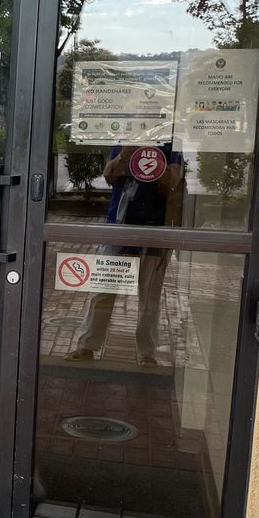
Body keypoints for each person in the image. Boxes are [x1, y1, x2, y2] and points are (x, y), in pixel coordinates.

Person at [65, 142, 184, 367]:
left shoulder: (170, 146)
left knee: (149, 296)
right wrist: (123, 156)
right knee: (102, 290)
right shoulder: (124, 143)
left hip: (156, 228)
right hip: (119, 227)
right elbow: (109, 176)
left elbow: (173, 180)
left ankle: (147, 353)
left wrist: (156, 165)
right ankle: (87, 346)